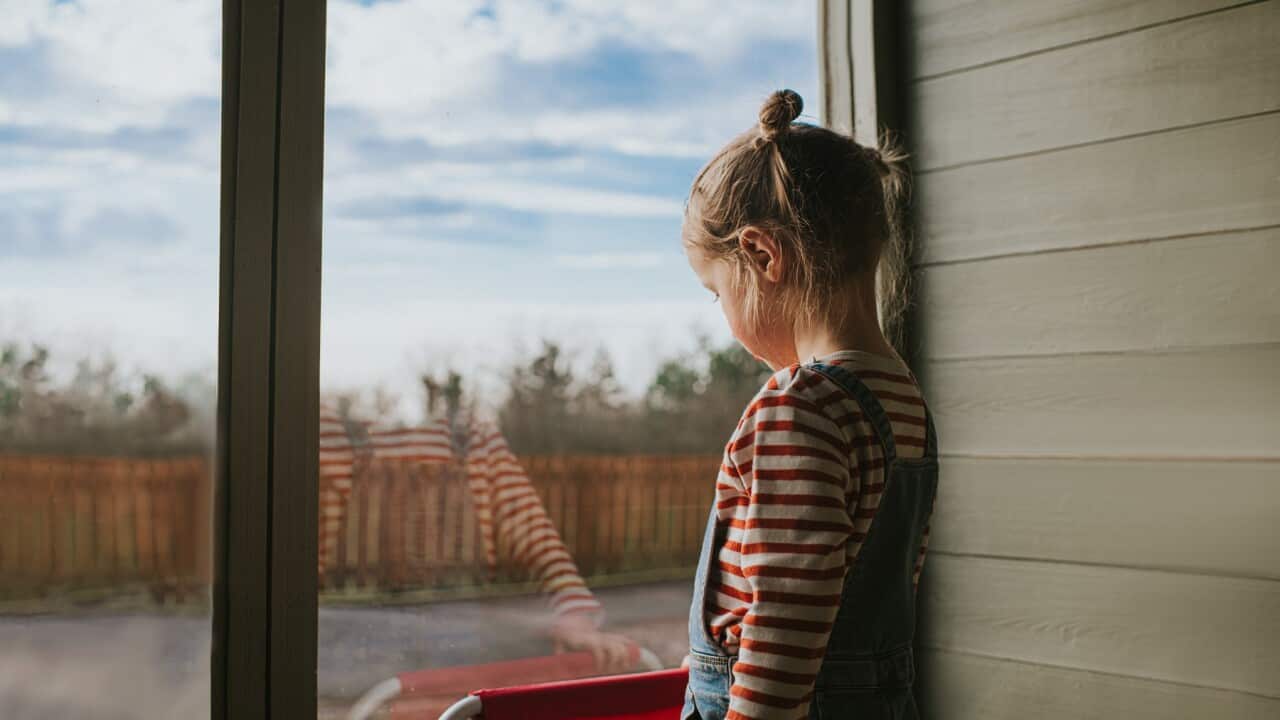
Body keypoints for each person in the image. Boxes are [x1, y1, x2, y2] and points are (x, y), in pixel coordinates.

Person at [679, 89, 939, 719]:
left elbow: (786, 627)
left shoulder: (798, 408)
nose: (725, 318)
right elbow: (851, 590)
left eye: (718, 293)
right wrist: (728, 640)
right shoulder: (901, 396)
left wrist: (742, 680)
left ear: (762, 255)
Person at [317, 379, 633, 672]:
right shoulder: (324, 426)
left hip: (457, 630)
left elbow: (529, 523)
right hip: (348, 635)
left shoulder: (470, 436)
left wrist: (572, 611)